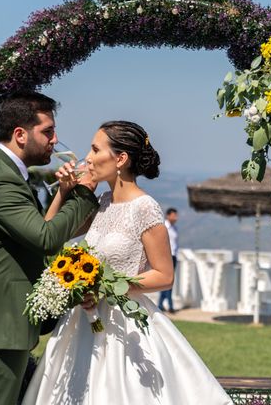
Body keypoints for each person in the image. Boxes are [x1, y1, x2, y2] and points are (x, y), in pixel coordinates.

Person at [22, 121, 232, 405]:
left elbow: (164, 275)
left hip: (124, 327)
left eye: (96, 149)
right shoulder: (102, 202)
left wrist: (106, 289)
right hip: (82, 322)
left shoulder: (145, 208)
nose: (89, 157)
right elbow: (49, 234)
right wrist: (63, 191)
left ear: (120, 159)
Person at [0, 91, 99, 405]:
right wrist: (84, 194)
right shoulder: (0, 178)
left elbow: (36, 233)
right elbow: (44, 237)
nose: (55, 140)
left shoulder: (7, 173)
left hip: (1, 326)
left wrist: (66, 196)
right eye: (47, 132)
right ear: (20, 134)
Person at [158, 207, 179, 313]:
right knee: (166, 281)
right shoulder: (164, 227)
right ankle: (166, 305)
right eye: (174, 215)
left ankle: (164, 305)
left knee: (170, 281)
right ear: (168, 215)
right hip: (166, 256)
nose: (176, 217)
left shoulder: (175, 228)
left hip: (174, 256)